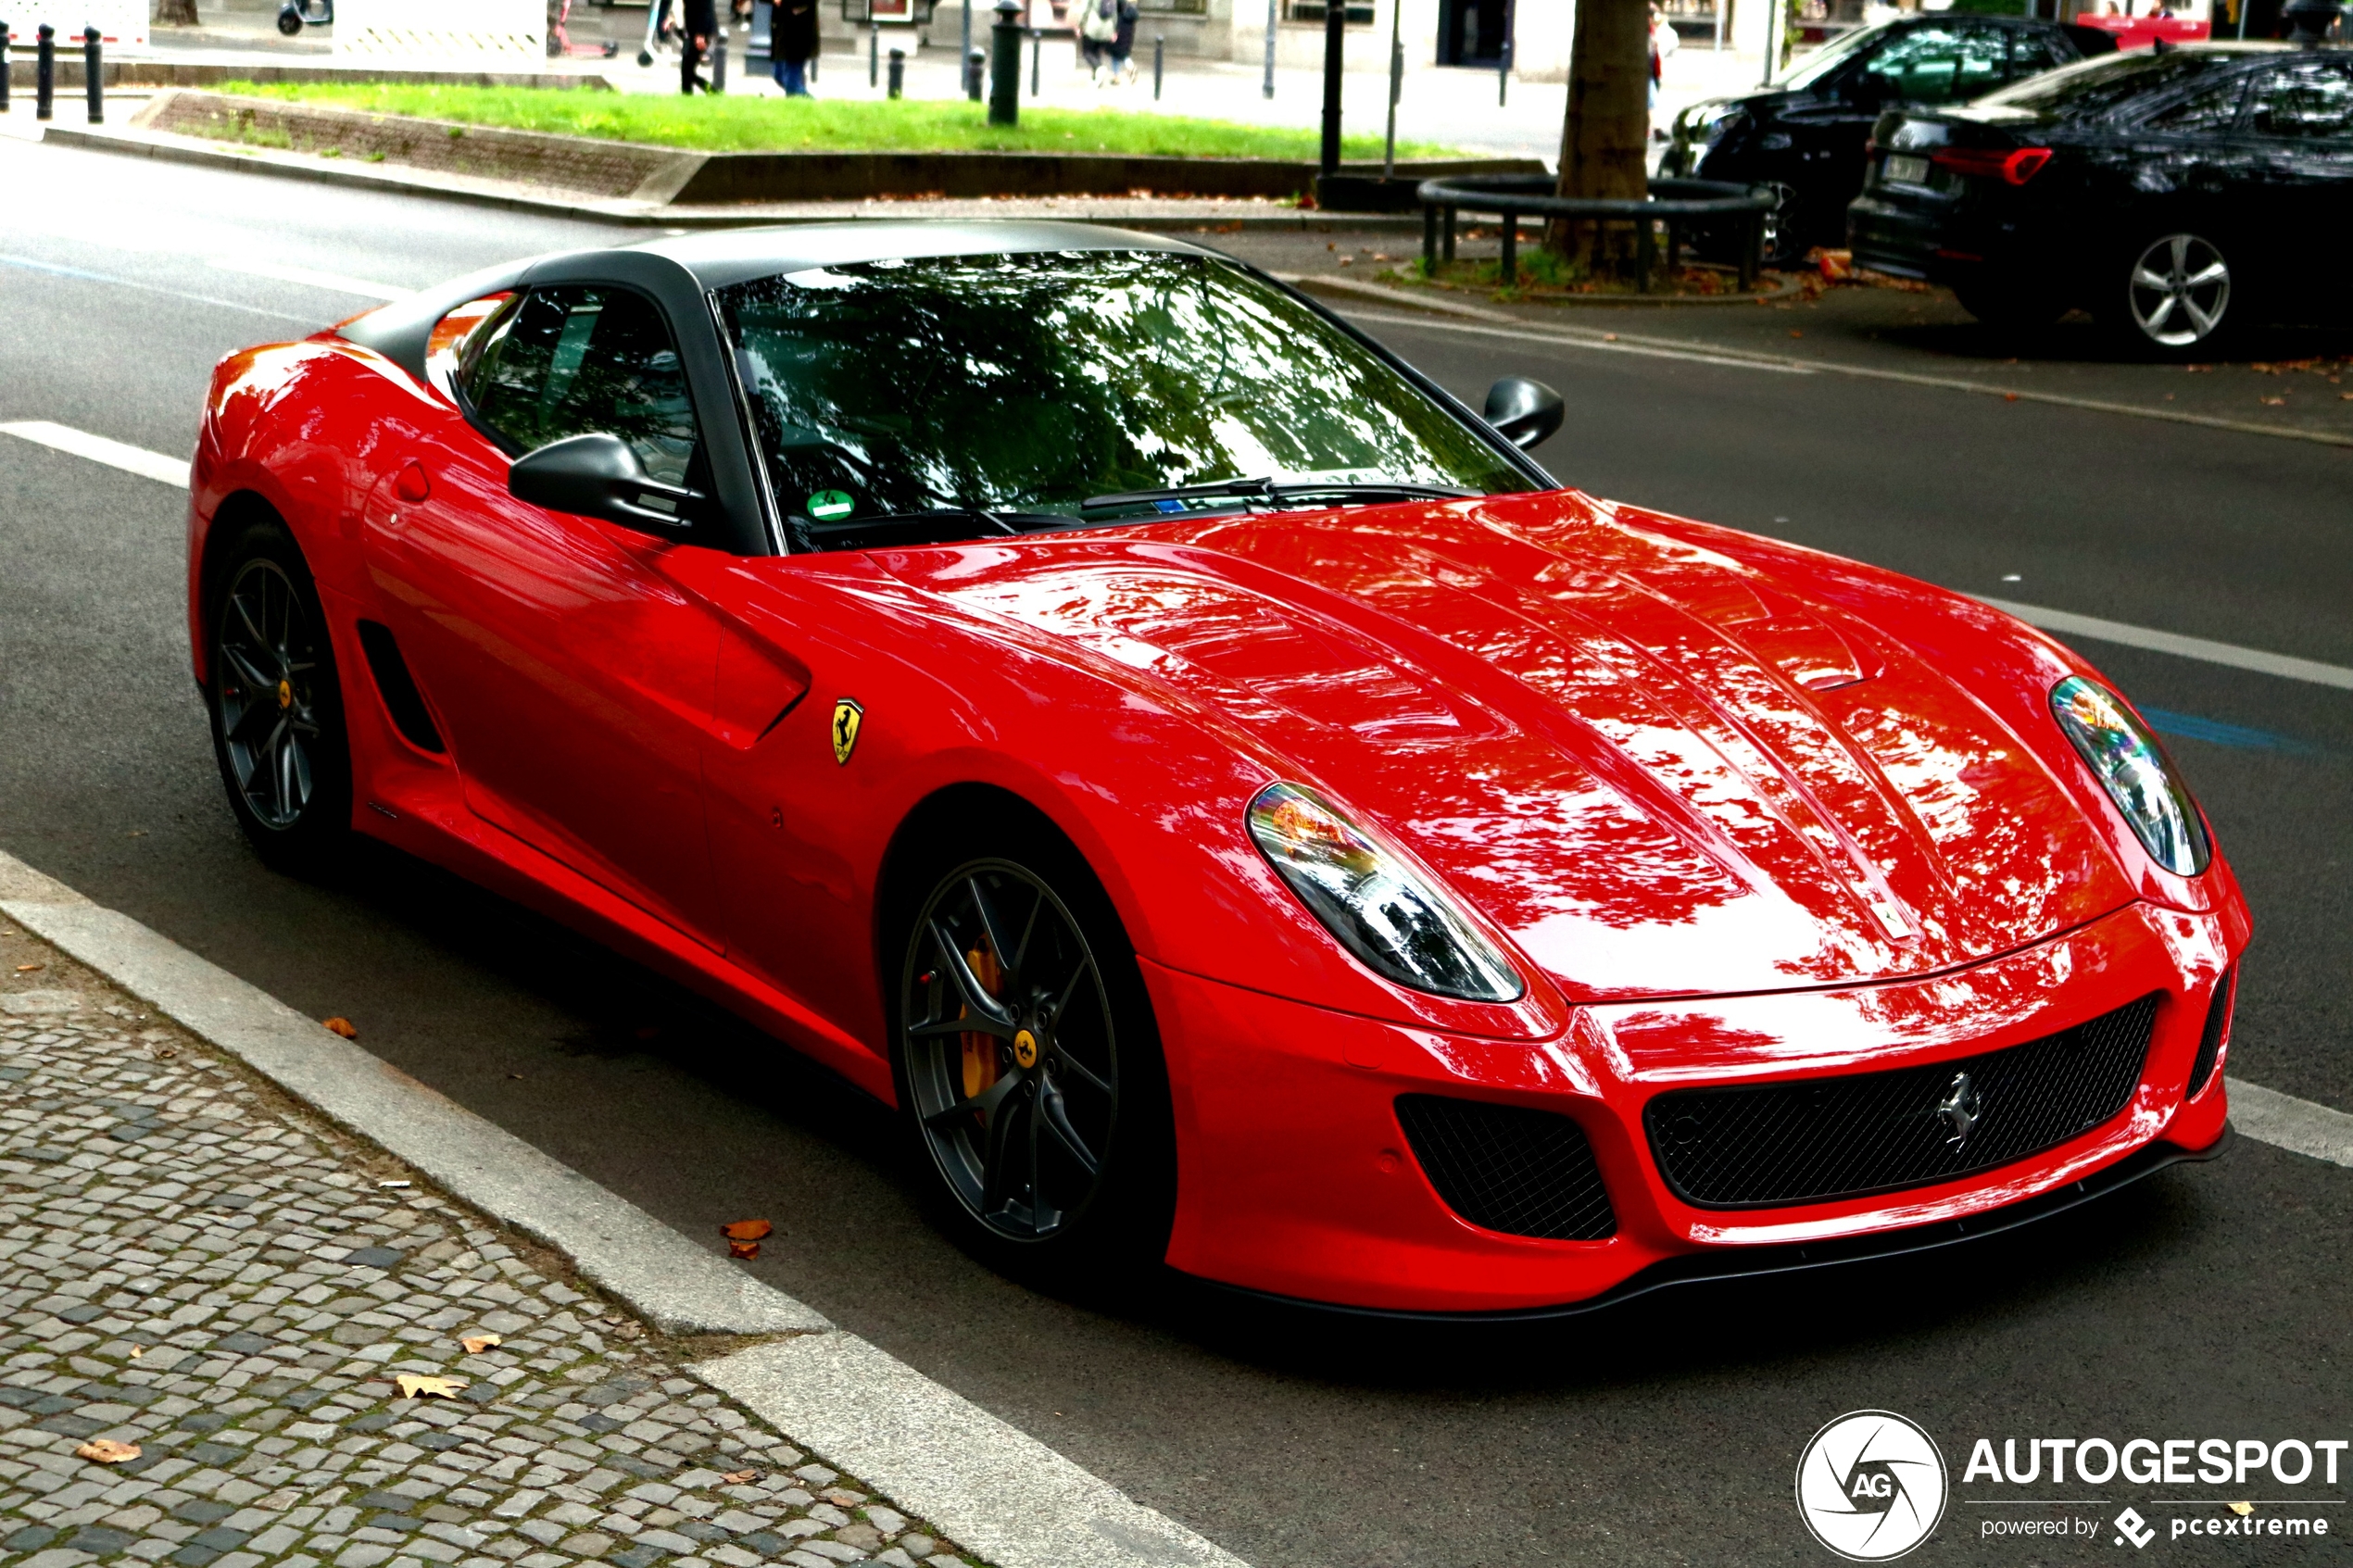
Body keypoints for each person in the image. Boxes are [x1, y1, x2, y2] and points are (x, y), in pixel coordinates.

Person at [772, 0, 817, 94]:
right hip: (782, 30)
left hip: (799, 31)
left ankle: (812, 105)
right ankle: (801, 99)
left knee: (791, 83)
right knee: (779, 75)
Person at [1078, 0, 1116, 85]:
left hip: (1093, 26)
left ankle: (1099, 68)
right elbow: (1114, 13)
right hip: (1107, 28)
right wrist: (1114, 30)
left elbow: (1085, 10)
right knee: (1097, 53)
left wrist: (1080, 25)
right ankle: (1097, 79)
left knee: (1086, 52)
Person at [682, 0, 716, 93]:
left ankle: (713, 92)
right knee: (687, 69)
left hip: (700, 32)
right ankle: (712, 92)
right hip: (693, 31)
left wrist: (700, 34)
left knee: (687, 69)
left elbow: (705, 10)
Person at [1109, 0, 1140, 83]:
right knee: (1122, 54)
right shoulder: (1132, 10)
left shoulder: (1120, 7)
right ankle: (1120, 74)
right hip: (1128, 34)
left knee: (1116, 53)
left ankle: (1117, 75)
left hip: (1118, 31)